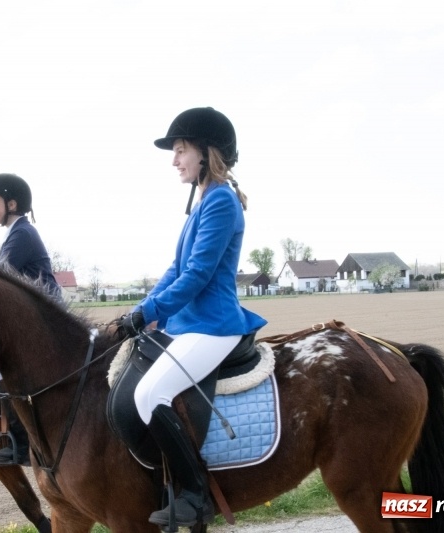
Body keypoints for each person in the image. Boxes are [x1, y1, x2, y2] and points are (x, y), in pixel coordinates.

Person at [120, 107, 267, 529]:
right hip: (188, 322)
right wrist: (142, 312)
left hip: (214, 324)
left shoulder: (220, 201)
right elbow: (174, 270)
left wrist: (148, 312)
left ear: (206, 152)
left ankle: (194, 495)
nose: (174, 160)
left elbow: (198, 276)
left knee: (150, 395)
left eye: (180, 150)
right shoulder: (204, 201)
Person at [0, 173, 60, 466]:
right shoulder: (14, 234)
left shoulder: (23, 234)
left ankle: (21, 445)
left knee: (6, 373)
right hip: (35, 320)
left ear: (11, 203)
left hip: (46, 324)